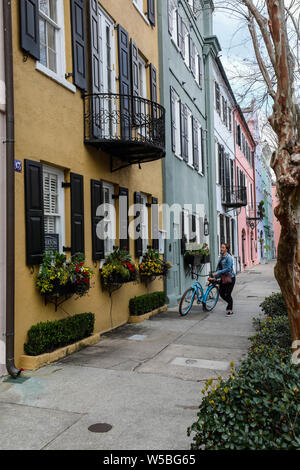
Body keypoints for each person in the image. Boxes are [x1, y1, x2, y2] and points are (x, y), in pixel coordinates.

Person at [208, 243, 236, 316]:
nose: (221, 249)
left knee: (228, 294)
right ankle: (229, 303)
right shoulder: (221, 256)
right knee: (221, 293)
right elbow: (219, 268)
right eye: (221, 247)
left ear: (226, 249)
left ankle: (230, 310)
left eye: (223, 247)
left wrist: (218, 272)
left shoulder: (229, 257)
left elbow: (228, 269)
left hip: (230, 278)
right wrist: (215, 277)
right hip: (223, 278)